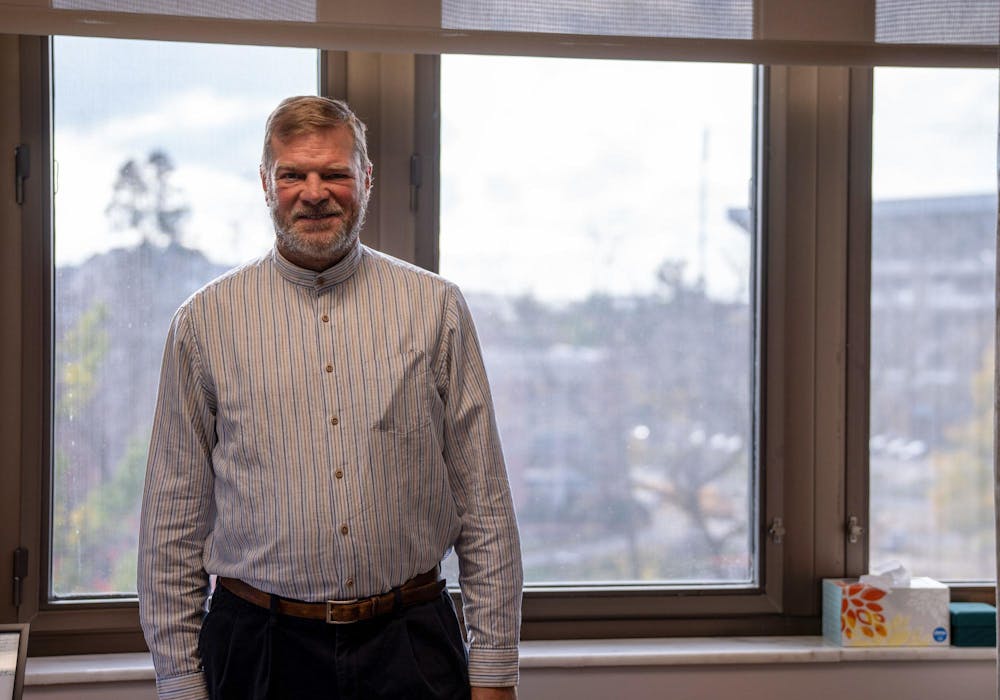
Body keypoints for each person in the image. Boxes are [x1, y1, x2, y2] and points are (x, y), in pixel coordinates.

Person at [138, 95, 522, 700]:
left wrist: (495, 670)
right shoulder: (203, 324)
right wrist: (181, 680)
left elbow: (486, 505)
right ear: (266, 183)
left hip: (411, 645)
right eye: (293, 173)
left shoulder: (437, 309)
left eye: (335, 173)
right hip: (257, 650)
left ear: (365, 180)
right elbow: (172, 517)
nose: (314, 192)